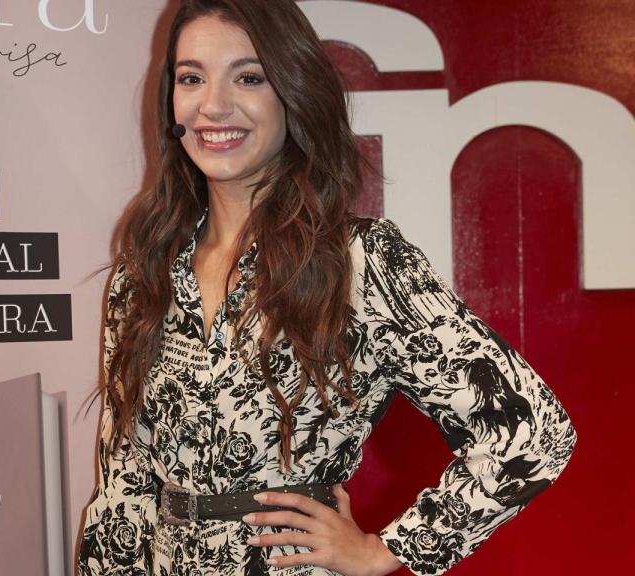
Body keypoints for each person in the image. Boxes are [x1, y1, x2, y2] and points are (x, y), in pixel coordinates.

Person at [75, 1, 577, 575]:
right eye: (192, 78)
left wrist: (387, 550)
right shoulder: (144, 273)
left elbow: (531, 431)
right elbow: (123, 484)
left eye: (249, 77)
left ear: (294, 92)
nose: (213, 104)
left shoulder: (363, 262)